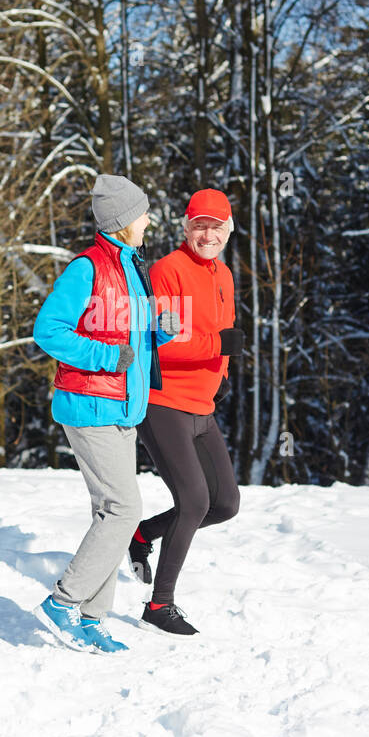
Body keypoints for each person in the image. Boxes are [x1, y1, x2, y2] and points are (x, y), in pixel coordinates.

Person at [31, 174, 179, 653]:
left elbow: (130, 336)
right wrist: (103, 356)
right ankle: (63, 602)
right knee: (125, 510)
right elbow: (48, 329)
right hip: (90, 405)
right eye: (142, 213)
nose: (149, 220)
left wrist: (159, 329)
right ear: (121, 222)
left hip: (122, 407)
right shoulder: (87, 267)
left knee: (107, 510)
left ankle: (91, 619)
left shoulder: (132, 268)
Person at [129, 188, 243, 635]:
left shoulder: (224, 275)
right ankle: (159, 607)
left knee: (225, 504)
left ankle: (143, 535)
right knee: (194, 501)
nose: (208, 234)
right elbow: (163, 343)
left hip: (203, 405)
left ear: (228, 231)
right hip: (165, 404)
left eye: (216, 227)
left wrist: (224, 374)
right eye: (199, 225)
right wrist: (218, 348)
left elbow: (226, 330)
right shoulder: (167, 271)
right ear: (185, 226)